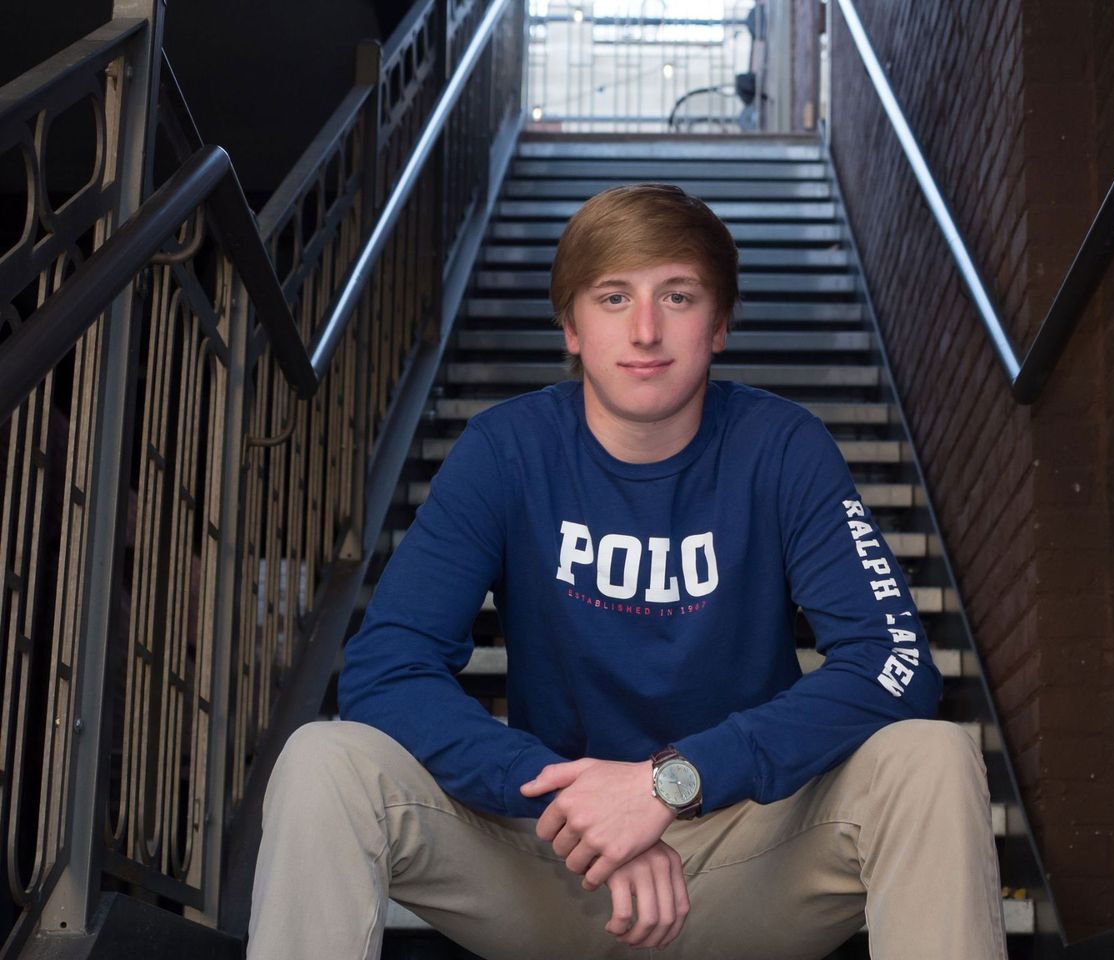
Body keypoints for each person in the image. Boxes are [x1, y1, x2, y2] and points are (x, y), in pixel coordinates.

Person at [247, 184, 1007, 960]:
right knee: (324, 761)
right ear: (570, 326)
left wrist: (668, 784)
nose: (645, 331)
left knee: (933, 759)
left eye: (676, 295)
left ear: (719, 324)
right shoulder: (506, 452)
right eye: (614, 297)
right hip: (553, 863)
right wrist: (580, 804)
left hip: (748, 859)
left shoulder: (783, 449)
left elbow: (894, 660)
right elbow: (386, 669)